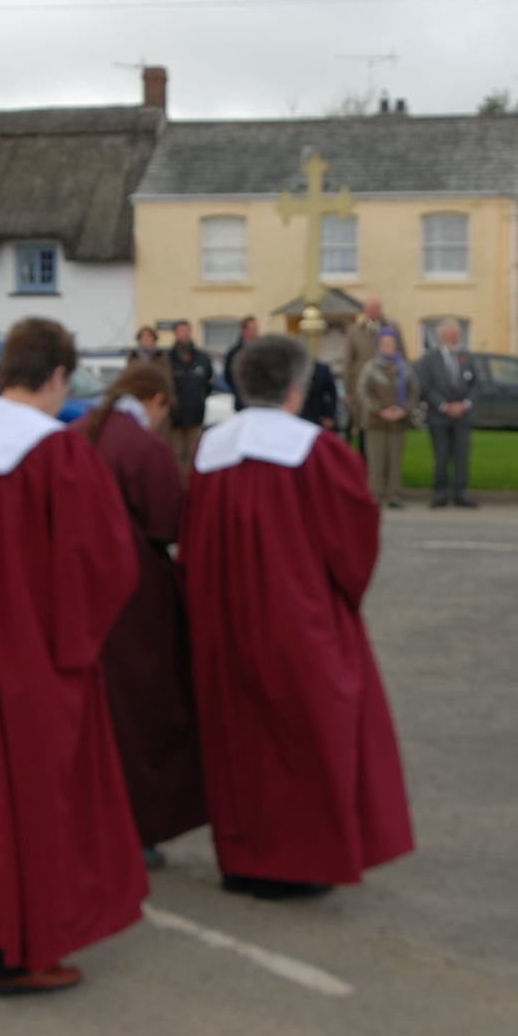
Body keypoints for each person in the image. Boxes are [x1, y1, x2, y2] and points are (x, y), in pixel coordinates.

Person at [0, 317, 146, 996]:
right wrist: (79, 637)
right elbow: (105, 562)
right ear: (56, 377)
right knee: (39, 802)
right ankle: (21, 953)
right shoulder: (58, 453)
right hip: (37, 655)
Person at [181, 334, 415, 900]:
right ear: (296, 388)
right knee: (306, 737)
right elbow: (352, 542)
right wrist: (340, 604)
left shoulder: (212, 452)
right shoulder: (318, 452)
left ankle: (243, 857)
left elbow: (193, 546)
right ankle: (297, 861)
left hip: (224, 620)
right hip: (297, 620)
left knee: (238, 740)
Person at [75, 362, 207, 870]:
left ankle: (89, 818)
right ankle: (131, 825)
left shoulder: (77, 433)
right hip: (133, 597)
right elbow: (169, 520)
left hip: (78, 588)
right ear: (156, 402)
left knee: (94, 709)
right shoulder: (142, 448)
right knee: (137, 713)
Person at [416, 319, 477, 509]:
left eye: (457, 335)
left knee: (462, 456)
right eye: (450, 335)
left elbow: (476, 385)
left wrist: (464, 405)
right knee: (441, 456)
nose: (454, 339)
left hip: (463, 417)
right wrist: (444, 406)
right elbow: (426, 387)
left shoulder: (466, 357)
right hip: (439, 417)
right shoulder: (430, 359)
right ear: (442, 337)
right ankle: (440, 493)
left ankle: (461, 493)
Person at [358, 330, 414, 508]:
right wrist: (380, 410)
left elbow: (413, 392)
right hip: (376, 421)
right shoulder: (371, 367)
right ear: (380, 346)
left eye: (392, 344)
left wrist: (403, 410)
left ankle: (394, 495)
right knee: (376, 460)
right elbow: (364, 392)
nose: (388, 347)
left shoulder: (405, 368)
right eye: (385, 344)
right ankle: (375, 495)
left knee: (395, 460)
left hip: (398, 421)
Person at [341, 297, 395, 456]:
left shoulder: (392, 327)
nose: (375, 312)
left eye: (377, 309)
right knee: (365, 426)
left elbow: (401, 357)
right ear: (365, 311)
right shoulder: (355, 331)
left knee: (387, 427)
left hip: (387, 386)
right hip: (362, 387)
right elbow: (348, 362)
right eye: (371, 309)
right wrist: (348, 390)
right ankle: (364, 464)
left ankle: (385, 467)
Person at [165, 321, 215, 471]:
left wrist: (199, 399)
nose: (185, 333)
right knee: (175, 455)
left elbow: (209, 382)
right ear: (175, 333)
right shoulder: (168, 359)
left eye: (187, 330)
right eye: (181, 330)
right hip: (175, 417)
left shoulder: (202, 359)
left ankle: (193, 489)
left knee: (194, 455)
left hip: (196, 415)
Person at [223, 316, 260, 411]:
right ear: (244, 330)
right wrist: (238, 391)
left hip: (261, 403)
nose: (256, 331)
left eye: (256, 328)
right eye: (253, 328)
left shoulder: (263, 351)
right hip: (242, 404)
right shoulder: (234, 353)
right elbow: (228, 376)